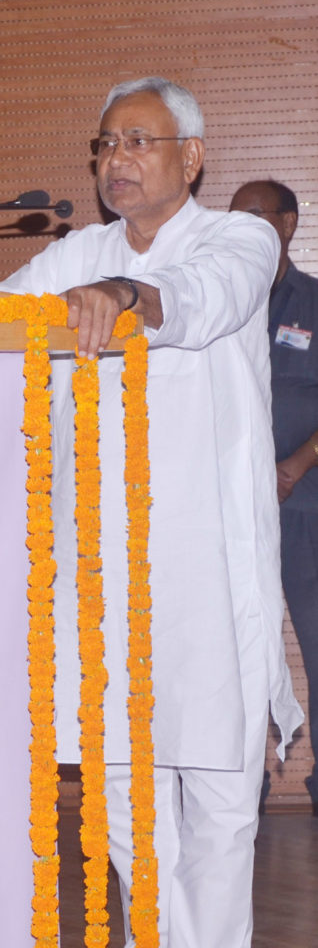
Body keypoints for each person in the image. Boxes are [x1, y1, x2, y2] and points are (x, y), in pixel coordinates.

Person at [0, 78, 303, 948]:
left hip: (208, 574)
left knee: (220, 805)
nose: (115, 159)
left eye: (138, 141)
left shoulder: (237, 238)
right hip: (102, 578)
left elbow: (201, 297)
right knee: (126, 800)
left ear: (191, 158)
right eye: (105, 144)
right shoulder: (75, 253)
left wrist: (126, 295)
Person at [230, 178, 318, 815]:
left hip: (305, 505)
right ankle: (239, 787)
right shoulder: (219, 303)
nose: (242, 228)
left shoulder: (314, 302)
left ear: (287, 223)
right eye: (233, 218)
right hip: (230, 511)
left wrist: (297, 463)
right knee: (233, 653)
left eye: (255, 216)